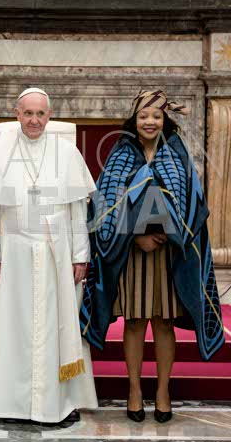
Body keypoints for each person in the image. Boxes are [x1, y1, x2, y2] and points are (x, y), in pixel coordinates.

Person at [80, 89, 224, 424]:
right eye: (144, 116)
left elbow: (191, 203)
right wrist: (136, 236)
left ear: (164, 120)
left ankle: (162, 391)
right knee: (133, 322)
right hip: (130, 254)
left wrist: (167, 233)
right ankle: (134, 390)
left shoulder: (177, 153)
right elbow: (104, 206)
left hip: (168, 255)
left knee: (163, 322)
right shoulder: (120, 155)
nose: (150, 122)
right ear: (134, 119)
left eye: (156, 116)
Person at [0, 87, 98, 424]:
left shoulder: (66, 151)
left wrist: (80, 255)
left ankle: (58, 404)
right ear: (17, 114)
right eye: (28, 113)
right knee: (12, 329)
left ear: (49, 115)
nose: (34, 120)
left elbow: (77, 211)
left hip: (58, 252)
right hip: (13, 252)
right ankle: (8, 405)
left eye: (40, 114)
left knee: (57, 328)